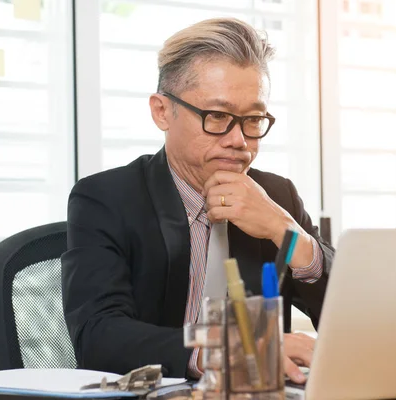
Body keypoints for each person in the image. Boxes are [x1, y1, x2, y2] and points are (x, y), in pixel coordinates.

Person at [61, 17, 335, 384]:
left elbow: (350, 324)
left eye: (253, 119)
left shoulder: (276, 196)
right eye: (218, 116)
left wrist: (286, 232)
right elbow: (99, 337)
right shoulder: (106, 199)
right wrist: (231, 349)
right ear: (162, 111)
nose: (239, 140)